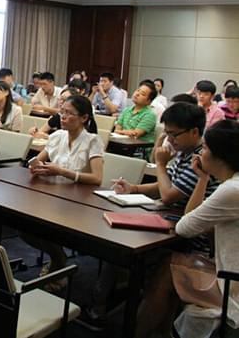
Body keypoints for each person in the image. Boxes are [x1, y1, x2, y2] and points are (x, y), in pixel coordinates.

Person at [112, 102, 220, 338]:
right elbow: (165, 183)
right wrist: (134, 188)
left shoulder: (200, 159)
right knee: (121, 246)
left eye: (174, 134)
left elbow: (169, 194)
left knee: (146, 260)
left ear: (194, 131)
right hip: (178, 228)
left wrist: (160, 163)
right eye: (167, 133)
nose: (169, 139)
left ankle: (141, 322)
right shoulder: (185, 153)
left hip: (194, 242)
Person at [24, 94, 104, 290]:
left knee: (38, 225)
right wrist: (36, 167)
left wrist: (62, 171)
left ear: (84, 118)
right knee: (23, 225)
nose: (63, 117)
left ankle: (58, 262)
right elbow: (40, 160)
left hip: (79, 203)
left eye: (69, 113)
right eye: (62, 112)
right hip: (54, 195)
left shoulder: (92, 141)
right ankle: (58, 256)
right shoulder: (57, 136)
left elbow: (97, 178)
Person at [172, 120, 239, 338]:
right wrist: (203, 179)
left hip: (232, 285)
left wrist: (202, 179)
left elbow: (184, 227)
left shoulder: (231, 190)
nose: (201, 153)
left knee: (166, 269)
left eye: (206, 148)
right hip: (227, 271)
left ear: (220, 156)